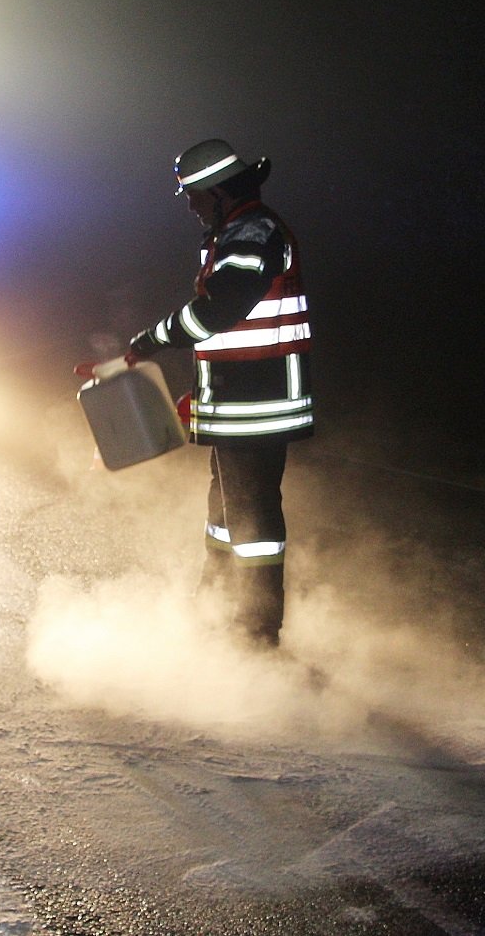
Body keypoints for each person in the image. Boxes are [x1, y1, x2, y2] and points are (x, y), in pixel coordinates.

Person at [128, 139, 313, 647]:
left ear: (217, 192)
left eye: (193, 194)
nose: (189, 205)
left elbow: (218, 312)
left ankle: (255, 633)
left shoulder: (252, 233)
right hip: (236, 403)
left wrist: (151, 341)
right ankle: (215, 607)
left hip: (258, 404)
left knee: (253, 522)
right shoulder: (235, 232)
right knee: (226, 515)